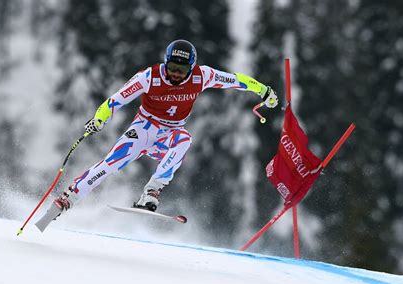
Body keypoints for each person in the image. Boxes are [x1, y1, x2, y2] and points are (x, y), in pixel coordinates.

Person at [53, 39, 278, 213]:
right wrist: (99, 119)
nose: (176, 74)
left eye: (182, 70)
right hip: (143, 129)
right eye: (171, 67)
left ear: (192, 67)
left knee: (184, 140)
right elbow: (116, 99)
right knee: (112, 163)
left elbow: (236, 80)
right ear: (165, 61)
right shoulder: (149, 77)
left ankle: (152, 190)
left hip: (168, 135)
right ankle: (71, 196)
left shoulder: (202, 76)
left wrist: (263, 90)